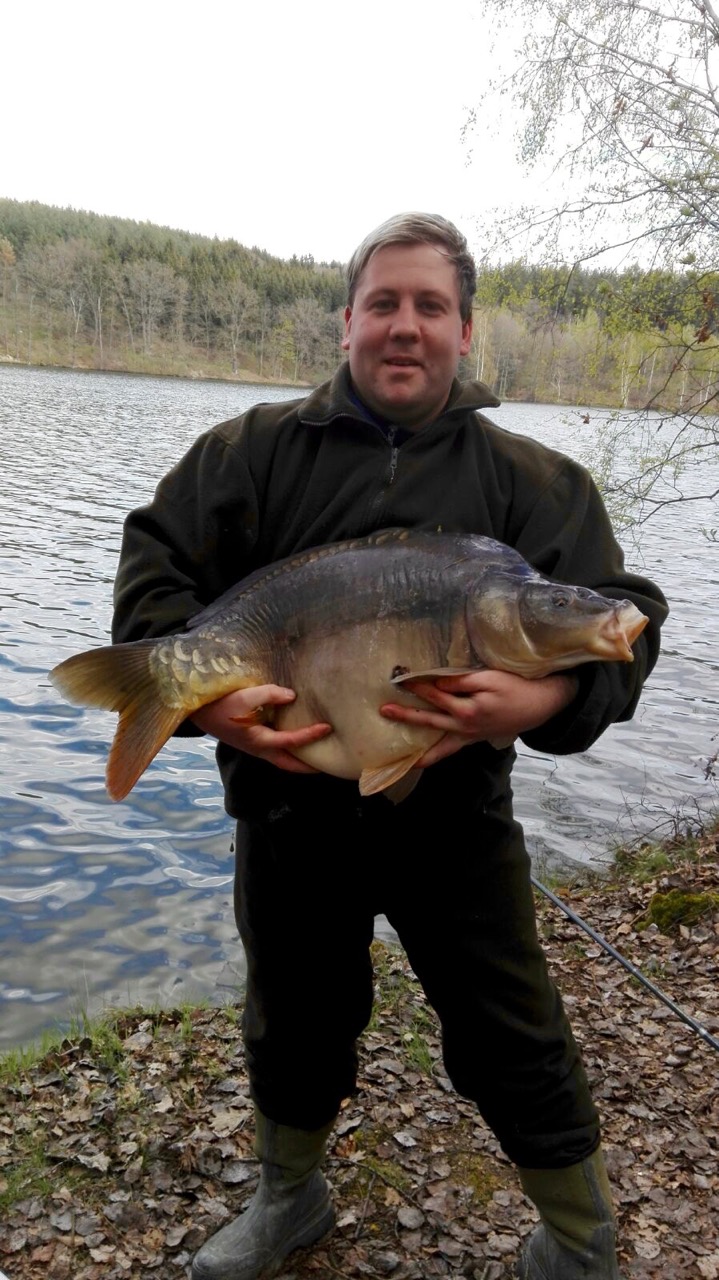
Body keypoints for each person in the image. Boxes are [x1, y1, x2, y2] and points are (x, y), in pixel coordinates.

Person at [112, 213, 668, 1280]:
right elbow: (155, 572)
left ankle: (578, 1239)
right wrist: (204, 704)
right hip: (287, 808)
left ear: (465, 330)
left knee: (510, 1023)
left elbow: (622, 615)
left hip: (453, 822)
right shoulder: (249, 454)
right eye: (383, 303)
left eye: (429, 306)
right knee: (294, 1015)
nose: (403, 327)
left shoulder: (529, 481)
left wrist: (541, 697)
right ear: (346, 323)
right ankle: (289, 1197)